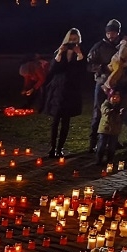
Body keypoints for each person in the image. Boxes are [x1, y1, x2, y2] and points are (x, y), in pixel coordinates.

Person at [40, 28, 86, 158]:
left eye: (75, 40)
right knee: (55, 120)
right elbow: (53, 69)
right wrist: (60, 53)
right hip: (58, 89)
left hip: (71, 90)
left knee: (66, 121)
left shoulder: (81, 52)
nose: (72, 42)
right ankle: (52, 147)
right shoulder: (60, 51)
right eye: (70, 39)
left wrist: (79, 55)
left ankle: (60, 148)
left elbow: (82, 70)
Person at [86, 18, 122, 153]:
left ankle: (113, 139)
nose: (110, 35)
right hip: (102, 84)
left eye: (113, 32)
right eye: (108, 33)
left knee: (116, 113)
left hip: (118, 84)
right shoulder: (98, 47)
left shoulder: (122, 47)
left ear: (118, 33)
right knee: (98, 112)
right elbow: (89, 65)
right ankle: (93, 141)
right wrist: (103, 68)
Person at [96, 90, 123, 165]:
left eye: (117, 97)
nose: (115, 98)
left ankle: (110, 160)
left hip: (115, 130)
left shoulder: (120, 106)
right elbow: (105, 110)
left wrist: (121, 113)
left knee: (112, 146)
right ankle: (99, 160)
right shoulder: (106, 104)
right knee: (102, 145)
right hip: (105, 129)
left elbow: (122, 116)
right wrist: (111, 110)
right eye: (113, 97)